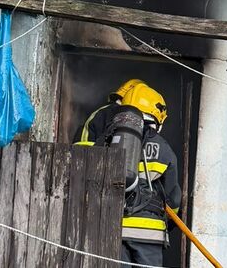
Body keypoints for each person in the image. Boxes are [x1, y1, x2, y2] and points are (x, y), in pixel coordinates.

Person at [74, 80, 182, 266]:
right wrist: (163, 224)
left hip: (114, 228)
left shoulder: (107, 139)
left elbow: (81, 165)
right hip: (150, 233)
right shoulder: (164, 148)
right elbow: (174, 201)